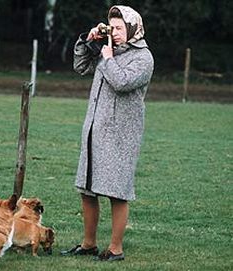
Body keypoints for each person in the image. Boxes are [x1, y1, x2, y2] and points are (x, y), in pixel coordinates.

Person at [60, 5, 154, 261]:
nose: (116, 32)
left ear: (134, 28)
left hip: (121, 135)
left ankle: (115, 249)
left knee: (117, 191)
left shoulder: (143, 58)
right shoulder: (107, 49)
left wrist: (109, 57)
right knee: (88, 189)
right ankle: (88, 243)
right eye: (113, 27)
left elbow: (122, 82)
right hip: (94, 129)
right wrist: (87, 41)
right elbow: (80, 66)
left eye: (121, 28)